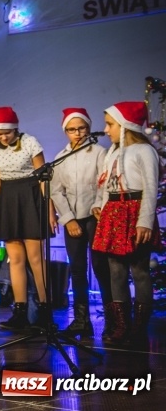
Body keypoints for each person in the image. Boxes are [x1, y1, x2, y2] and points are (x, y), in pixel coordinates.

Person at [92, 101, 160, 348]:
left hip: (135, 210)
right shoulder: (112, 152)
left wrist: (145, 221)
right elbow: (106, 184)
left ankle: (139, 328)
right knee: (115, 270)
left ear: (126, 126)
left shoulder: (144, 151)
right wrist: (99, 204)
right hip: (114, 211)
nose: (106, 130)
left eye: (110, 124)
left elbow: (151, 189)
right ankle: (122, 326)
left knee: (139, 270)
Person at [0, 106, 51, 333]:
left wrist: (49, 210)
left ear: (16, 129)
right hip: (9, 200)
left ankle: (45, 310)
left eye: (8, 132)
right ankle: (20, 311)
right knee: (15, 259)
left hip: (31, 198)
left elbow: (43, 179)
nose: (3, 137)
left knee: (35, 257)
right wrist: (3, 209)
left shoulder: (30, 142)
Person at [49, 108, 111, 341]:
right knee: (77, 268)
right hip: (73, 220)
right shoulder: (60, 157)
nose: (78, 133)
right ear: (65, 131)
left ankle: (111, 319)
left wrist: (97, 207)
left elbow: (103, 184)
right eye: (72, 129)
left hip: (95, 217)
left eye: (82, 128)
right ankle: (81, 320)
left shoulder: (99, 152)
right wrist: (69, 220)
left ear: (88, 127)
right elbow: (56, 191)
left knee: (100, 267)